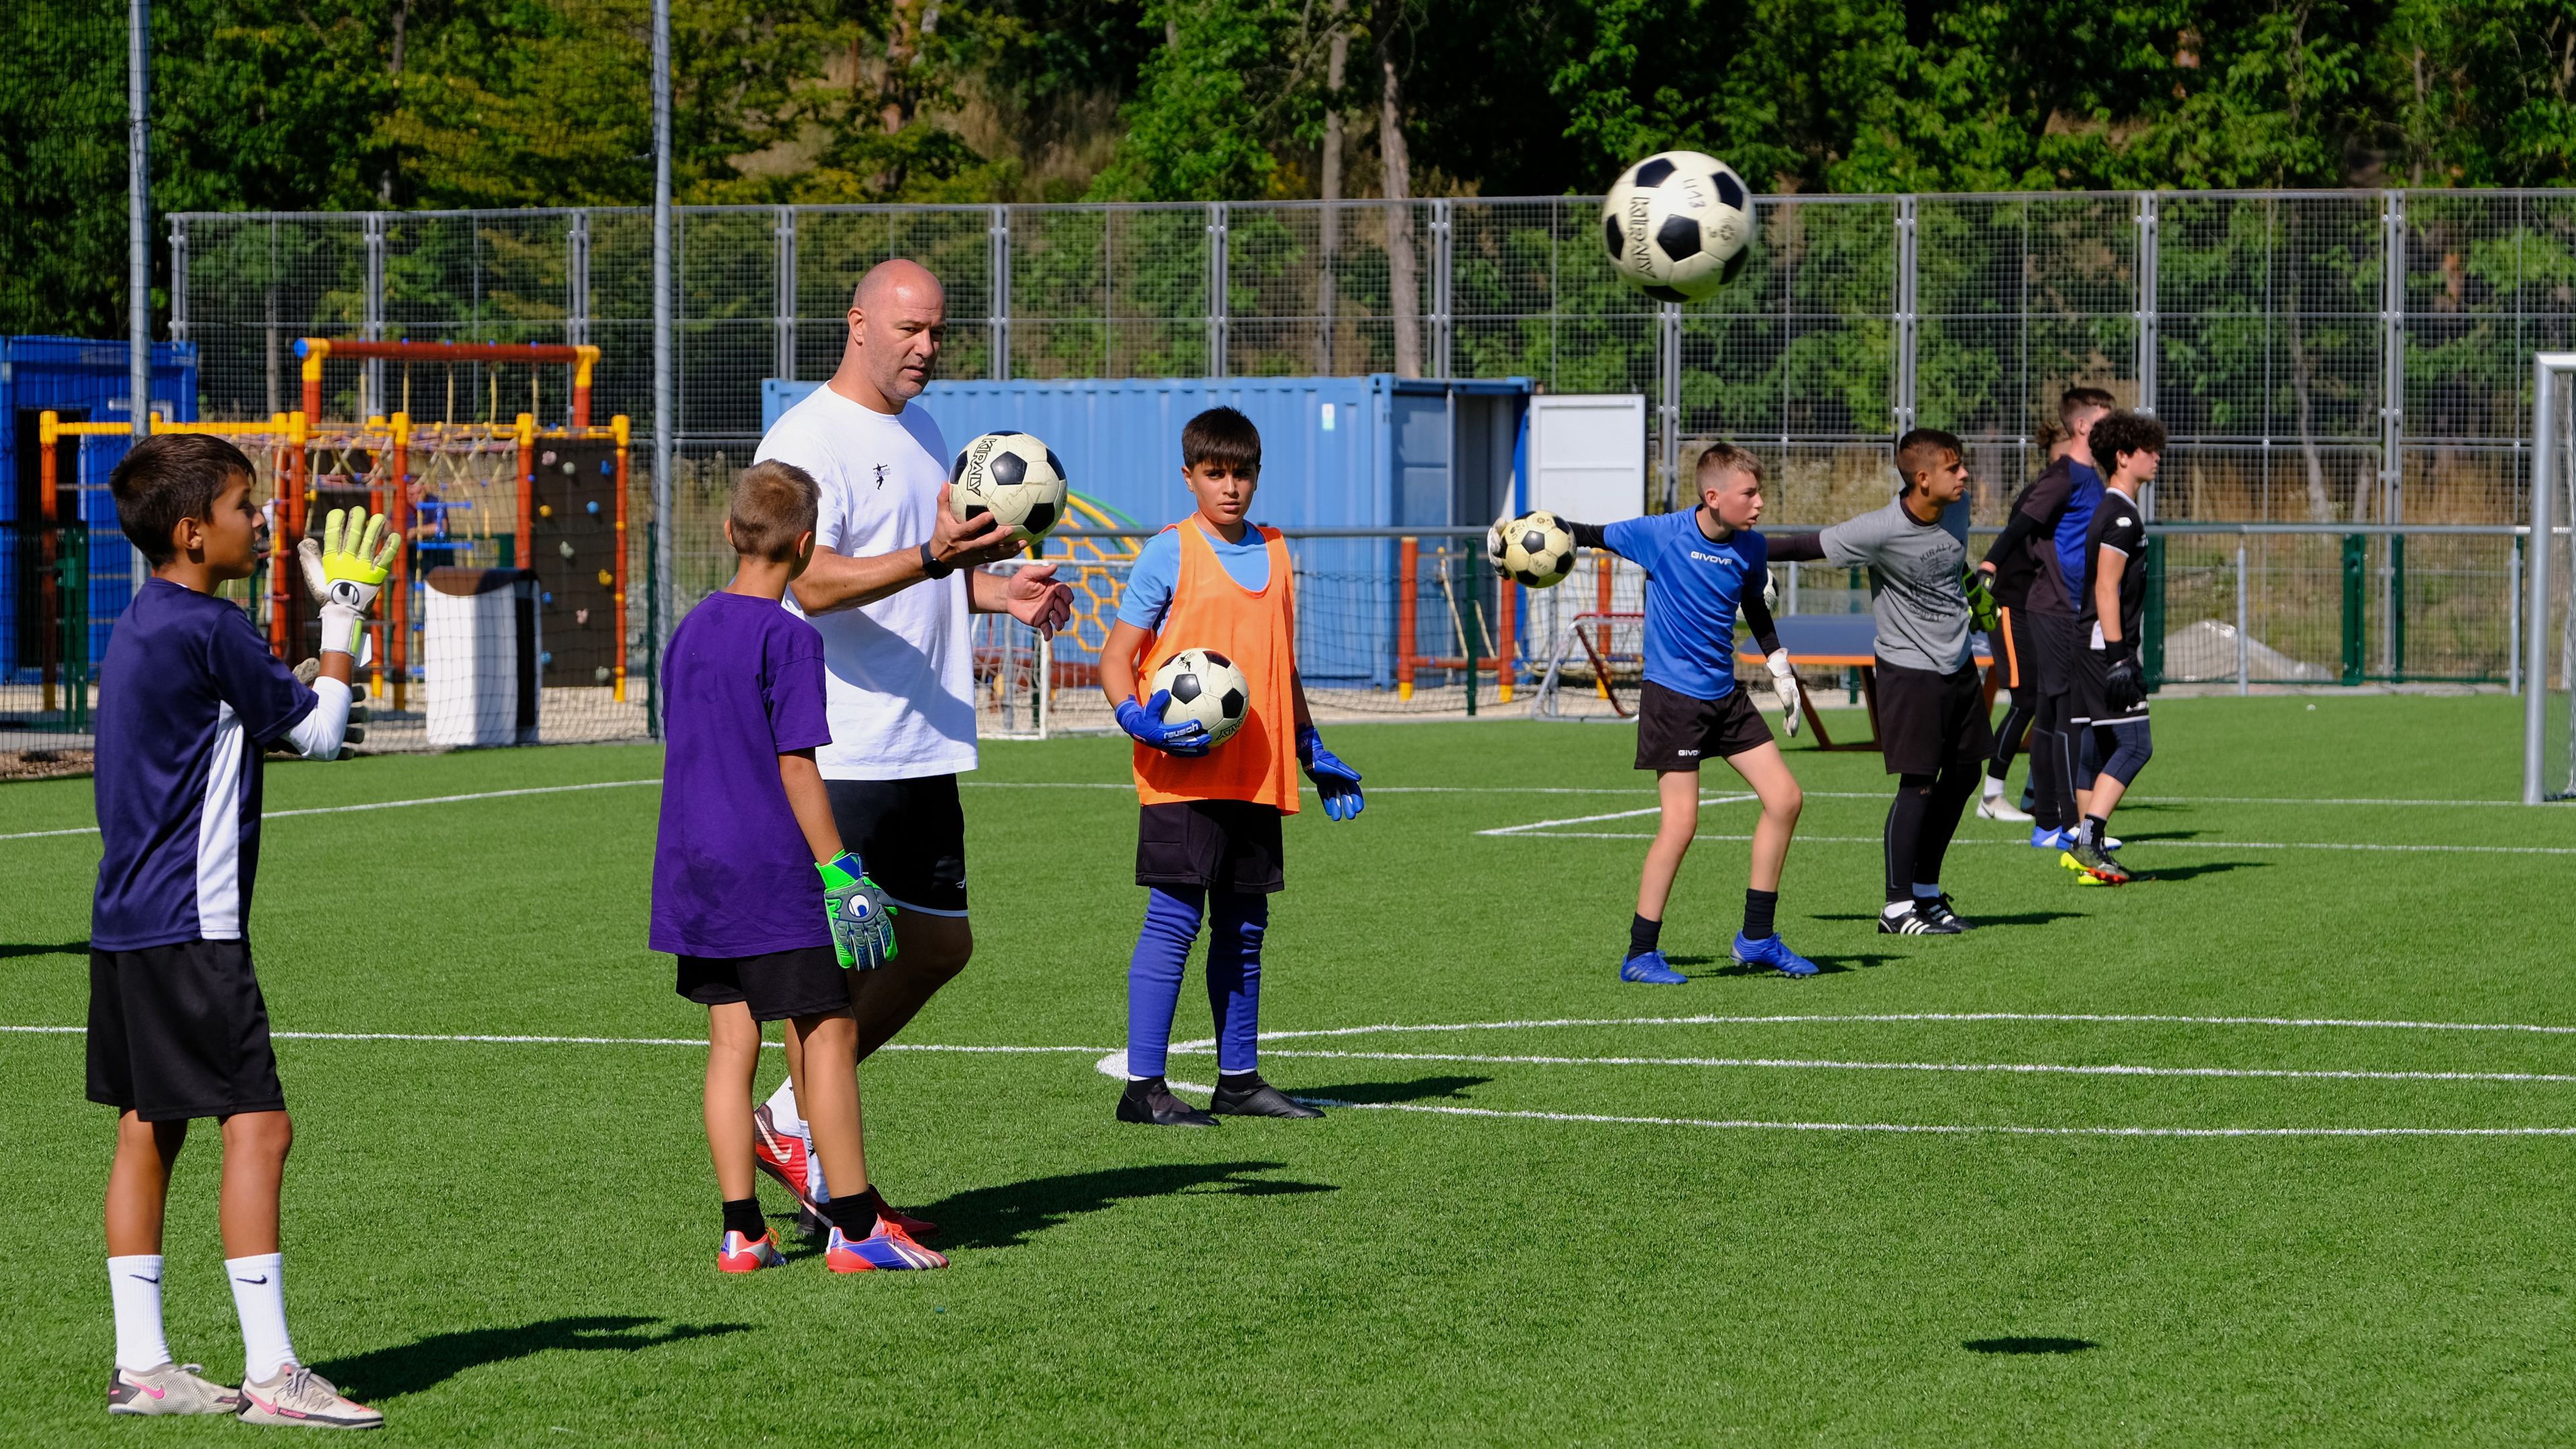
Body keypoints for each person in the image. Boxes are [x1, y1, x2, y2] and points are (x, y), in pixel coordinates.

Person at [745, 258, 1074, 1230]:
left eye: (938, 330)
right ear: (856, 325)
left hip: (923, 742)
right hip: (843, 752)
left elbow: (921, 576)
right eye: (910, 330)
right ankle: (833, 1181)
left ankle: (792, 1118)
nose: (927, 348)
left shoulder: (926, 431)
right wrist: (937, 558)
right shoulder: (806, 437)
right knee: (832, 980)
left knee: (937, 946)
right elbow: (810, 580)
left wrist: (993, 590)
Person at [91, 434, 383, 1426]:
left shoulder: (144, 625)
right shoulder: (212, 626)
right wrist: (344, 620)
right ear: (192, 532)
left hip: (127, 920)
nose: (257, 521)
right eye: (243, 506)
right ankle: (273, 1377)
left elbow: (244, 715)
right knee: (260, 1126)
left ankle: (144, 1366)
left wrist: (313, 663)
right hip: (193, 925)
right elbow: (318, 733)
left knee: (150, 1128)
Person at [650, 460, 943, 1273]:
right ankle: (855, 1230)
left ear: (727, 532)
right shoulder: (789, 637)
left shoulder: (690, 627)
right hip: (770, 873)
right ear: (808, 545)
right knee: (830, 1033)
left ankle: (742, 1232)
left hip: (693, 869)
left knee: (728, 1044)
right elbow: (796, 769)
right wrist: (842, 872)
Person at [1100, 407, 1366, 1126]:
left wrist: (1310, 748)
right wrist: (1134, 718)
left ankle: (1238, 1080)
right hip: (1182, 773)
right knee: (1173, 922)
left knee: (1244, 927)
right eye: (1213, 473)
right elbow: (1115, 659)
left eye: (1240, 473)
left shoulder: (1278, 552)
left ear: (1255, 476)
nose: (1229, 487)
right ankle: (1142, 1089)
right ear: (1188, 476)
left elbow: (1280, 668)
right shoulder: (1169, 551)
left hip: (1258, 772)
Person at [1502, 443, 1816, 982]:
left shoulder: (1751, 548)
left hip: (1726, 696)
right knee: (1680, 824)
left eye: (1760, 491)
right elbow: (1585, 532)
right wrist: (1512, 534)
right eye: (1750, 493)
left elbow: (1754, 605)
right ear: (1712, 496)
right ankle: (1640, 953)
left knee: (1786, 799)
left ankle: (1757, 938)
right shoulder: (1660, 534)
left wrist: (1778, 662)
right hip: (1673, 699)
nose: (1760, 502)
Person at [1769, 429, 1990, 935]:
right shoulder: (1879, 529)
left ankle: (1927, 894)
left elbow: (1953, 570)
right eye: (1954, 468)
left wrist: (1983, 595)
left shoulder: (1956, 506)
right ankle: (1896, 908)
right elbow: (1805, 545)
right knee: (1917, 784)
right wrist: (1728, 545)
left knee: (1962, 777)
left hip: (1957, 665)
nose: (1964, 475)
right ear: (1922, 478)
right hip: (1908, 670)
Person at [1975, 387, 2113, 856]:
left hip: (2074, 609)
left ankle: (2054, 822)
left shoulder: (2092, 478)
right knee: (2052, 711)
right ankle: (2057, 821)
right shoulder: (2063, 477)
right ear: (2082, 426)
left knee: (2058, 714)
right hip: (2049, 609)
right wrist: (1990, 567)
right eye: (2104, 422)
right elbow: (2019, 526)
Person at [2061, 411, 2163, 885]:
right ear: (2122, 457)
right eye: (2147, 449)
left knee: (2096, 745)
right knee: (2135, 745)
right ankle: (2088, 838)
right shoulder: (2121, 515)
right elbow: (2106, 588)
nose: (2156, 457)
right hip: (2105, 646)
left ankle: (2090, 857)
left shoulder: (2113, 508)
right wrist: (2120, 655)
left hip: (2090, 642)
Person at [1972, 419, 2067, 824]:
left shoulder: (2075, 491)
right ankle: (1991, 796)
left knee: (2055, 699)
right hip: (2013, 606)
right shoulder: (2045, 490)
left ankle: (2035, 793)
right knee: (2027, 699)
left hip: (2044, 610)